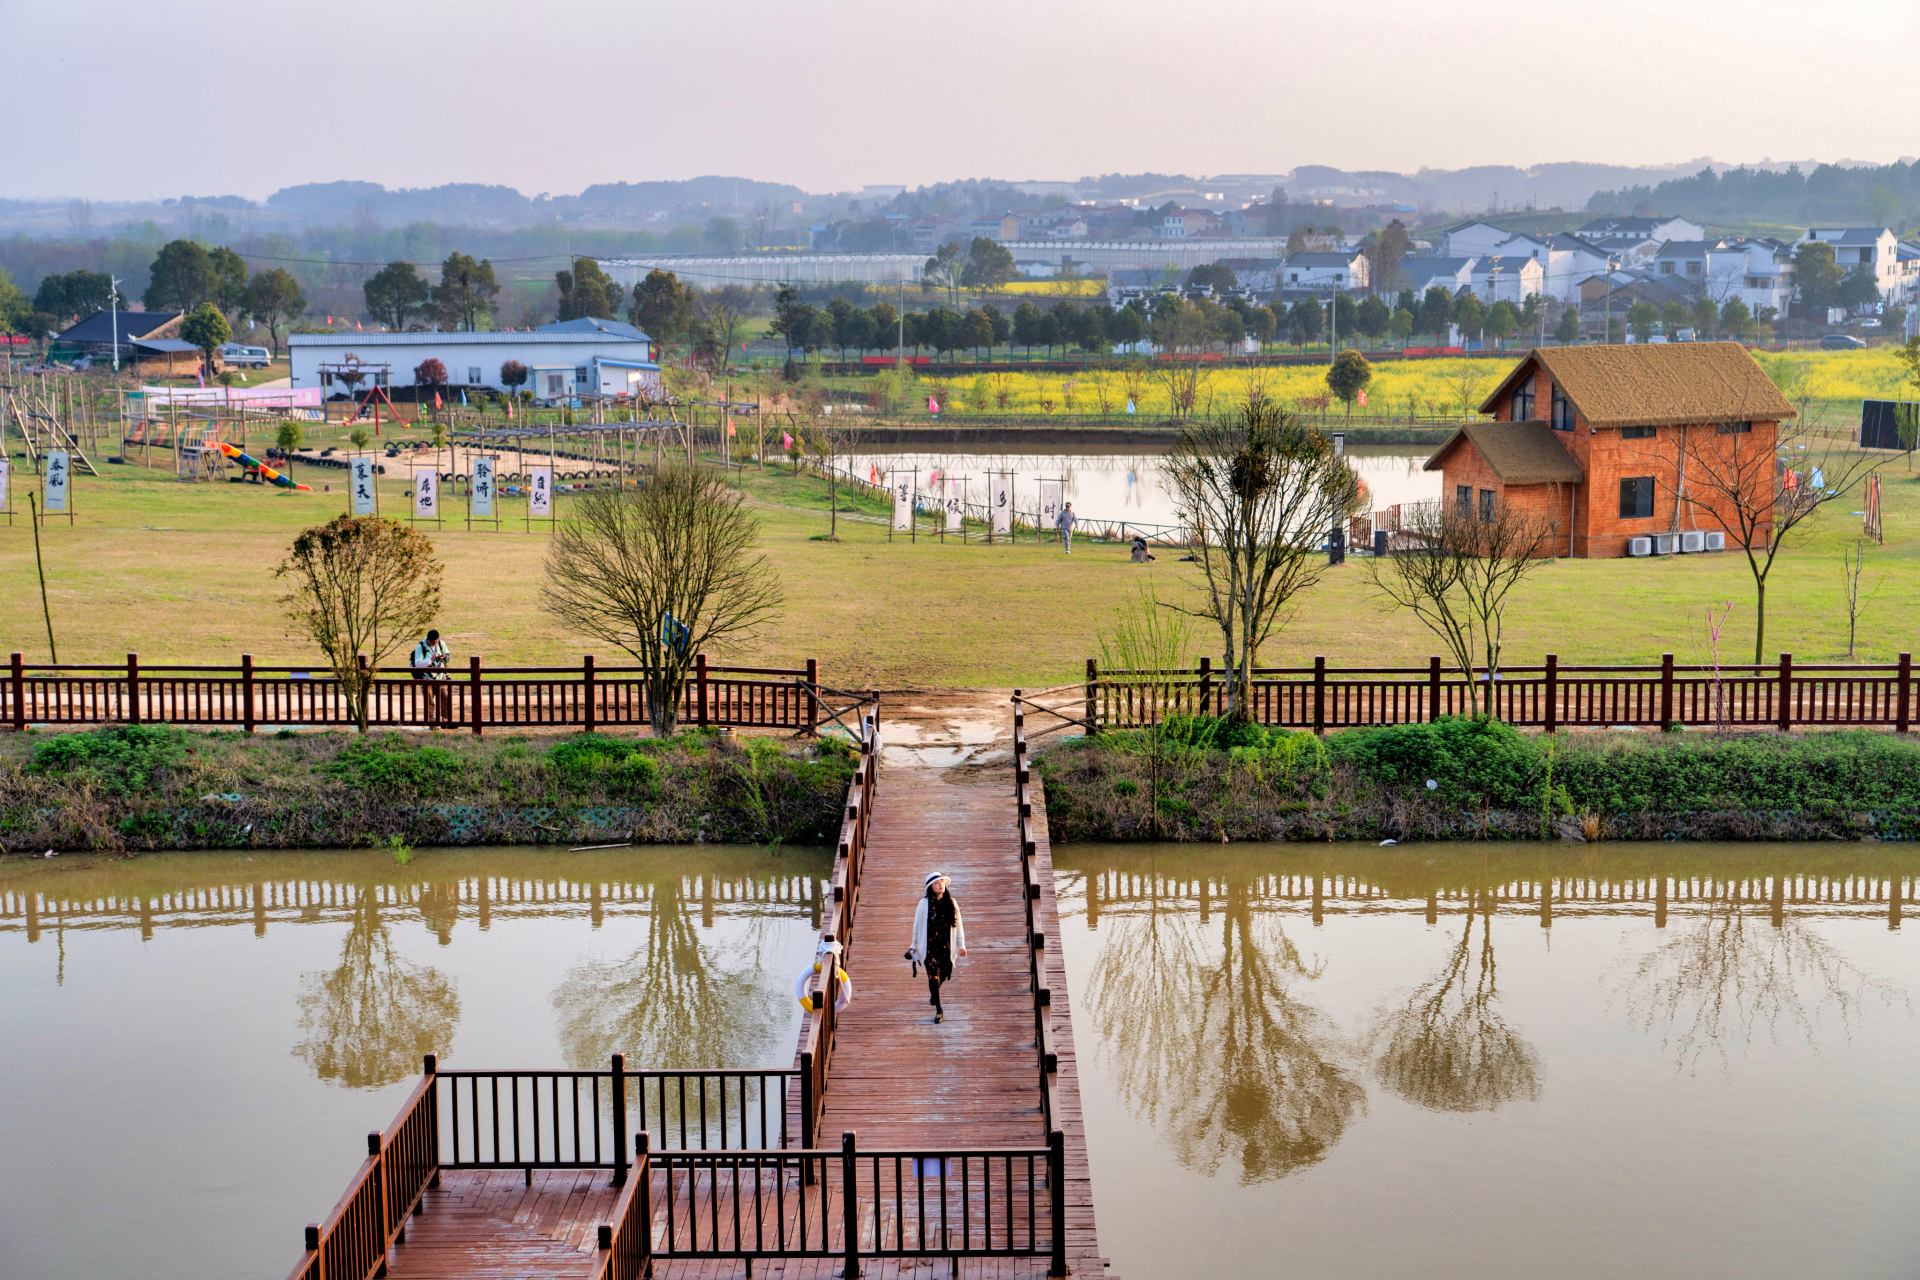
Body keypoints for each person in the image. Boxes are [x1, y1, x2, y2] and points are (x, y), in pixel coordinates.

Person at [909, 871, 967, 1024]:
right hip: (930, 947)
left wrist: (962, 945)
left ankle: (934, 992)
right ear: (931, 887)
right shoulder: (924, 903)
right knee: (933, 977)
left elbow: (958, 926)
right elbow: (917, 926)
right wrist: (913, 945)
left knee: (945, 973)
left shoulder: (951, 902)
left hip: (946, 947)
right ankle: (939, 1010)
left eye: (941, 882)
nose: (940, 885)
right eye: (936, 883)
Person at [410, 629, 452, 724]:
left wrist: (444, 657)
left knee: (445, 699)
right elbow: (418, 664)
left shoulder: (441, 643)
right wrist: (430, 659)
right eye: (433, 642)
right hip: (426, 679)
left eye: (436, 642)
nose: (435, 644)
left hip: (441, 677)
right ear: (428, 640)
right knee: (429, 702)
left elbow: (448, 656)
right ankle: (432, 723)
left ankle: (446, 721)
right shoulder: (420, 647)